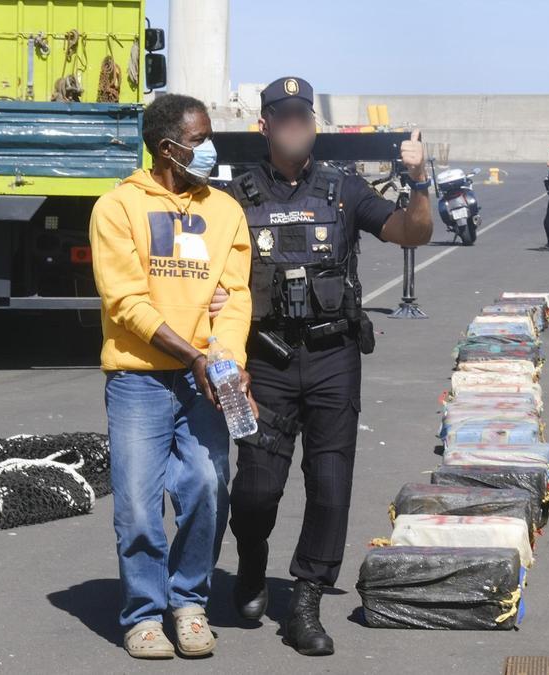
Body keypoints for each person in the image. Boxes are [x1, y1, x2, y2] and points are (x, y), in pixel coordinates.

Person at [215, 76, 432, 656]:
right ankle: (253, 560)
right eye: (281, 116)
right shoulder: (233, 197)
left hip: (334, 355)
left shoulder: (343, 190)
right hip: (261, 361)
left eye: (302, 116)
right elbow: (203, 268)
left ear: (314, 124)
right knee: (256, 490)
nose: (293, 123)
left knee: (330, 485)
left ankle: (306, 599)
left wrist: (419, 180)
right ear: (263, 125)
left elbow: (413, 231)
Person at [89, 93, 253, 660]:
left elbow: (235, 296)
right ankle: (142, 614)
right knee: (137, 503)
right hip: (141, 380)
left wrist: (225, 358)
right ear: (168, 147)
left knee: (207, 488)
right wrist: (194, 355)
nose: (210, 149)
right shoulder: (117, 209)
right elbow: (126, 303)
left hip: (208, 377)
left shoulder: (226, 211)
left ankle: (188, 603)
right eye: (201, 139)